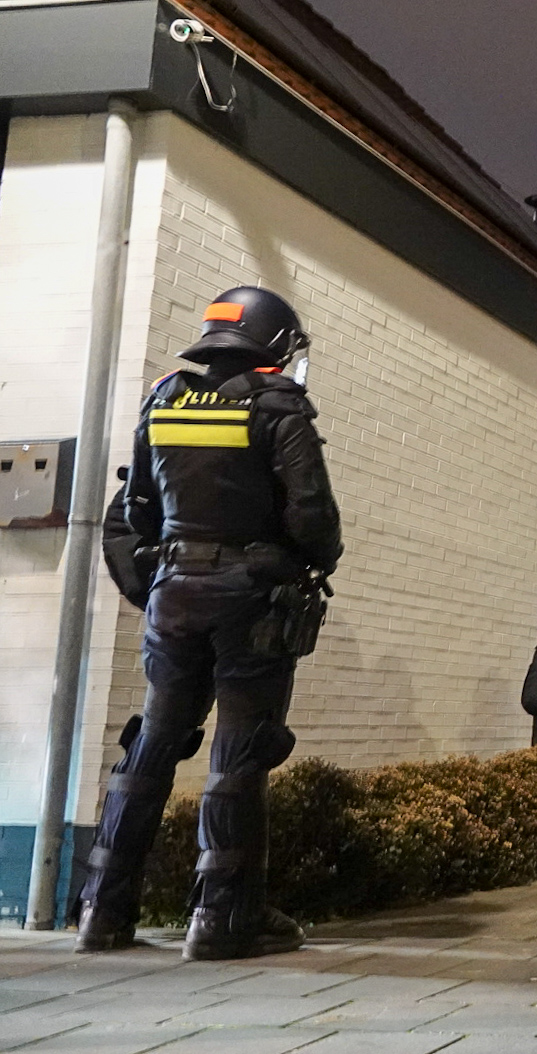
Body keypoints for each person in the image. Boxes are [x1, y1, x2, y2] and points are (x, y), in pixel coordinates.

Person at [78, 286, 342, 960]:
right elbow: (311, 515)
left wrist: (158, 584)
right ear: (275, 342)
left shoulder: (164, 398)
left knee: (151, 746)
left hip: (173, 593)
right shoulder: (275, 404)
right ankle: (222, 922)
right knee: (239, 753)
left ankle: (102, 914)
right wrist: (304, 562)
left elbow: (132, 514)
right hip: (250, 598)